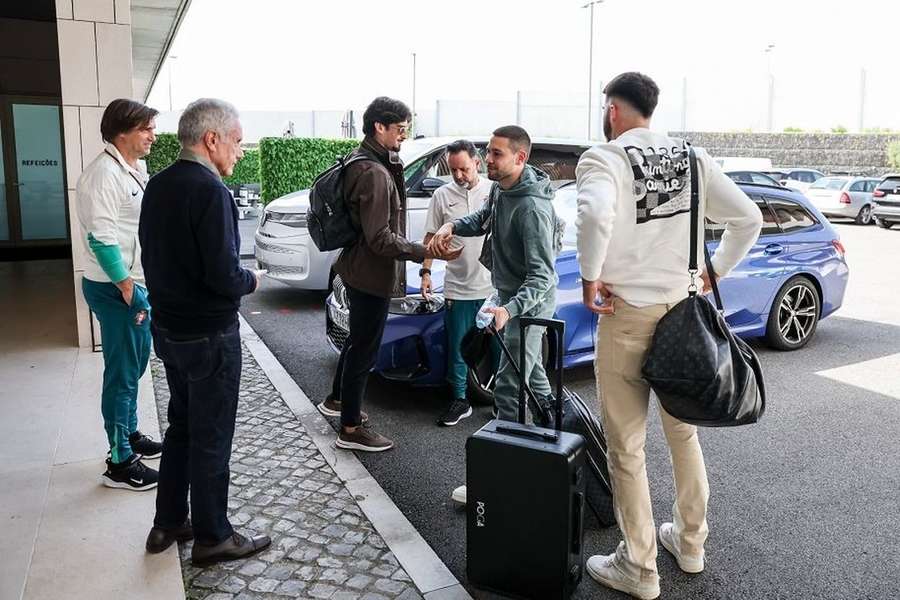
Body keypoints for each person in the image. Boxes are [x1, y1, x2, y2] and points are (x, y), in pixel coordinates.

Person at [575, 72, 763, 600]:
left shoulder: (605, 158)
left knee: (627, 449)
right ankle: (690, 541)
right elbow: (747, 217)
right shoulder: (692, 159)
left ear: (613, 108)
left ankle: (639, 566)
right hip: (683, 315)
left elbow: (592, 212)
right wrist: (715, 271)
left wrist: (591, 277)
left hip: (628, 315)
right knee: (684, 433)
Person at [139, 98, 269, 565]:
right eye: (236, 141)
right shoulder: (210, 192)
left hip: (169, 332)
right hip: (208, 338)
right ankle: (214, 535)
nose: (238, 151)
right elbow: (223, 274)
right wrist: (251, 280)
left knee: (181, 429)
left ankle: (169, 522)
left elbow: (152, 257)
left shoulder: (158, 183)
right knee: (211, 436)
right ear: (211, 139)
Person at [317, 97, 462, 451]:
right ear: (379, 127)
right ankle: (350, 429)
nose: (403, 136)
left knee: (356, 340)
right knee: (365, 349)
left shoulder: (364, 159)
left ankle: (338, 402)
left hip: (355, 267)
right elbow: (380, 239)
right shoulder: (374, 173)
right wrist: (425, 251)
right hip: (370, 273)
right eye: (399, 129)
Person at [430, 126, 559, 505]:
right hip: (507, 297)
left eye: (497, 154)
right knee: (533, 382)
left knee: (507, 387)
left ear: (520, 158)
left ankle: (502, 480)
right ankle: (544, 462)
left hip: (527, 307)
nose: (488, 159)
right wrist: (452, 224)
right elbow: (483, 219)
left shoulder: (533, 208)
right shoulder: (503, 190)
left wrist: (507, 309)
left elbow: (541, 277)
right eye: (488, 152)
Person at [75, 98, 163, 491]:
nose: (153, 136)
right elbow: (102, 240)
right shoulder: (103, 176)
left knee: (135, 365)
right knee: (123, 374)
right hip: (116, 289)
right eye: (146, 129)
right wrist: (130, 290)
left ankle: (128, 434)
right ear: (123, 131)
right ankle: (120, 462)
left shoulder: (129, 169)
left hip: (131, 285)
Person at [421, 139, 497, 426]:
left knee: (499, 347)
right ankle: (460, 400)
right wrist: (426, 272)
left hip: (493, 288)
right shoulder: (442, 195)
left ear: (476, 162)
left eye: (463, 169)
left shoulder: (494, 191)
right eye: (453, 170)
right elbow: (429, 239)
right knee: (458, 348)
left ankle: (501, 401)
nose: (459, 175)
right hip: (457, 286)